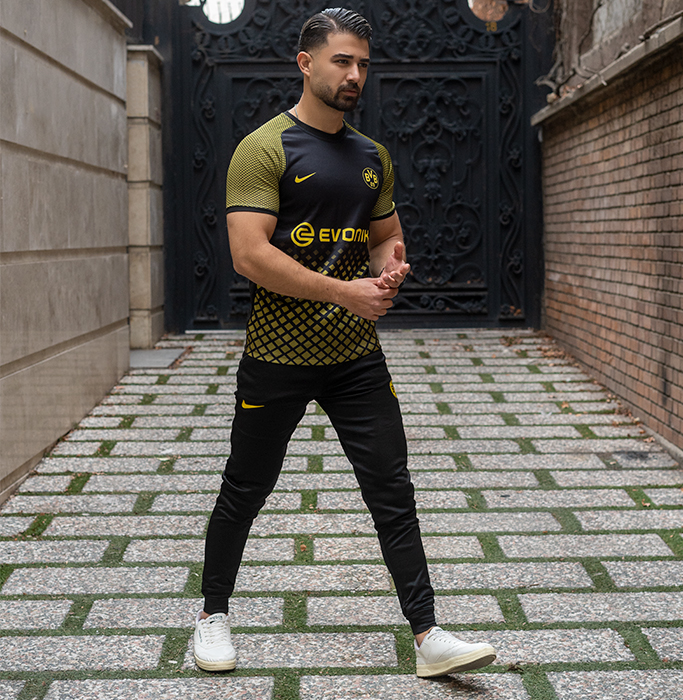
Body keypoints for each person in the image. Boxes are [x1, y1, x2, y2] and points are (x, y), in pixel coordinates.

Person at [193, 7, 496, 678]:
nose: (355, 74)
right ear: (306, 64)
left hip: (355, 358)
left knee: (392, 490)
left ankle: (428, 635)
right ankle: (212, 615)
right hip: (277, 357)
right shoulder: (263, 148)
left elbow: (385, 235)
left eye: (362, 63)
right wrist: (342, 292)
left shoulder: (371, 155)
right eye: (342, 61)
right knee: (245, 487)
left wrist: (388, 269)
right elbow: (248, 255)